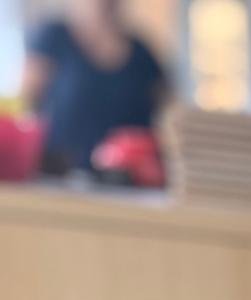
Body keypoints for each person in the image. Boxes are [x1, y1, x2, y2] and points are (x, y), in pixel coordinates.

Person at [20, 0, 167, 174]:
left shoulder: (143, 56)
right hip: (61, 175)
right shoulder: (54, 38)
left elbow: (167, 115)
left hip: (127, 179)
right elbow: (26, 104)